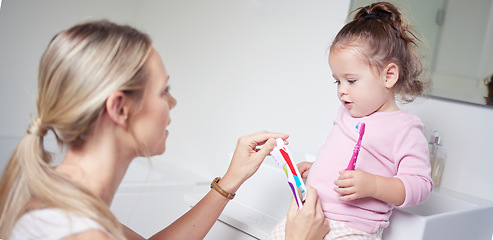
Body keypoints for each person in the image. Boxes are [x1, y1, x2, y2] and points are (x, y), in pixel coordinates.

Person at [0, 20, 330, 239]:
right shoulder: (83, 233)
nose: (172, 103)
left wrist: (231, 180)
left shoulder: (58, 195)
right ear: (119, 108)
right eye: (163, 91)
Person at [267, 2, 433, 239]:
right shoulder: (346, 113)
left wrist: (373, 186)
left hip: (351, 229)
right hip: (309, 215)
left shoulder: (404, 130)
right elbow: (343, 157)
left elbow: (420, 186)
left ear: (389, 75)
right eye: (337, 81)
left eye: (351, 81)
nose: (342, 91)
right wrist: (320, 170)